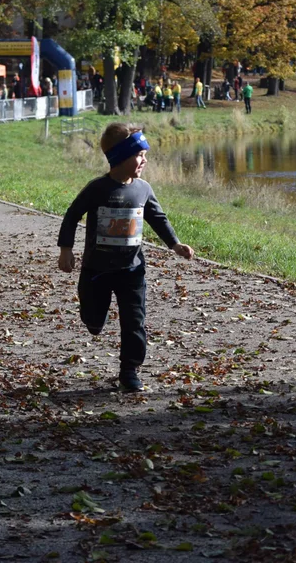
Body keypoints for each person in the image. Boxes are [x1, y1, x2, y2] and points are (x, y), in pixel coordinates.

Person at [57, 123, 194, 392]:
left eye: (145, 155)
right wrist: (66, 249)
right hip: (96, 270)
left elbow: (158, 218)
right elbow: (72, 215)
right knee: (93, 318)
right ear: (120, 156)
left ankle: (129, 371)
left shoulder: (143, 189)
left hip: (132, 271)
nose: (145, 160)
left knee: (134, 320)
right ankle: (94, 319)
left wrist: (175, 245)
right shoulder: (98, 189)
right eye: (139, 154)